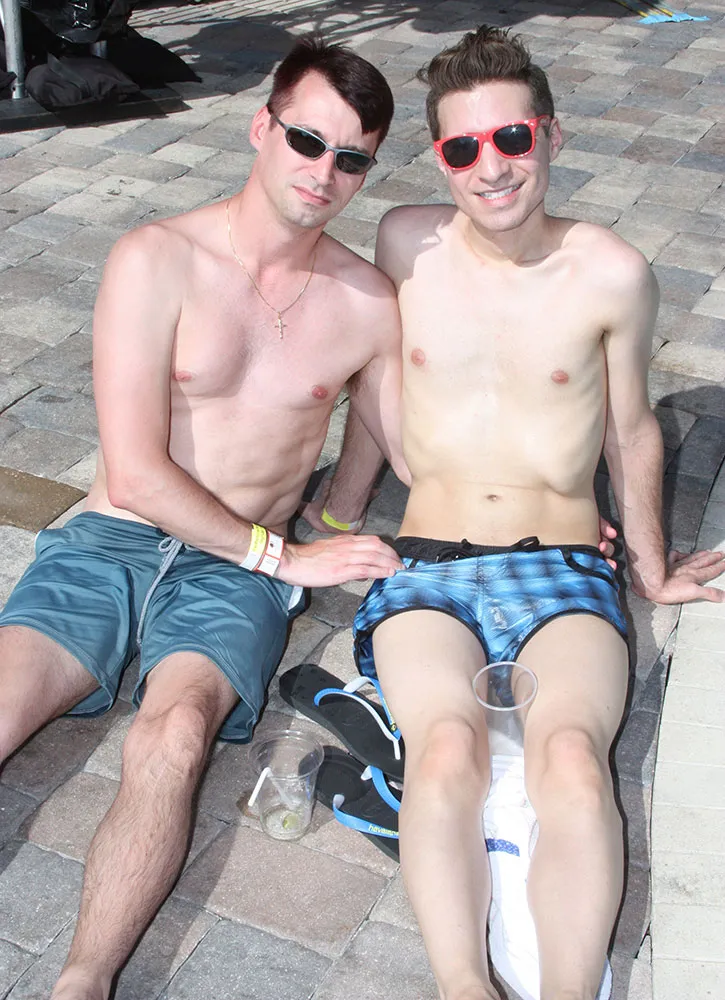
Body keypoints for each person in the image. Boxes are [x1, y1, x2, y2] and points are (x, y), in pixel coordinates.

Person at [306, 25, 725, 1000]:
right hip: (426, 564)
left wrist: (650, 568)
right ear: (439, 157)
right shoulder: (406, 242)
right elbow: (373, 380)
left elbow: (630, 429)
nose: (490, 168)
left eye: (510, 139)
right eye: (462, 148)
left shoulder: (610, 272)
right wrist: (336, 513)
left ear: (549, 134)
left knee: (572, 761)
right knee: (444, 751)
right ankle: (463, 986)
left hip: (561, 563)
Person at [0, 35, 409, 1000]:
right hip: (115, 537)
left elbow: (390, 437)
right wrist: (286, 558)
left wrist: (345, 512)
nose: (323, 172)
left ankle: (83, 983)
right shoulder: (157, 258)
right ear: (261, 126)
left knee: (175, 737)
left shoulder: (367, 301)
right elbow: (138, 474)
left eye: (351, 159)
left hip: (232, 576)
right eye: (306, 141)